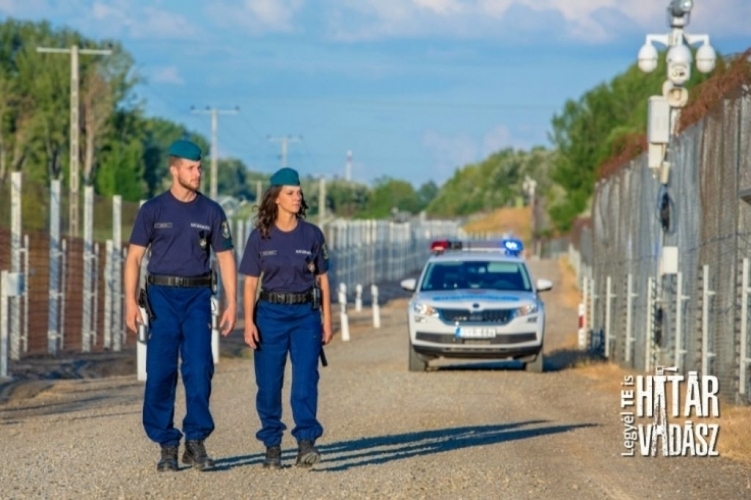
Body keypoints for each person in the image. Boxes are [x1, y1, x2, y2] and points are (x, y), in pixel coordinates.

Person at [124, 139, 237, 472]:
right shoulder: (153, 210)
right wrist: (129, 302)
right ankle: (167, 445)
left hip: (198, 298)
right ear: (174, 170)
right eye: (191, 168)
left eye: (199, 167)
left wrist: (232, 303)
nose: (197, 173)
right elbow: (134, 257)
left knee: (199, 368)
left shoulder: (211, 212)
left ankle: (196, 440)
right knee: (160, 370)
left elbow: (226, 258)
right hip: (162, 298)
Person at [239, 167, 333, 469]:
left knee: (305, 381)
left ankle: (306, 443)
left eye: (299, 192)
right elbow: (250, 283)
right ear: (276, 198)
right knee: (268, 385)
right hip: (270, 315)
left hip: (305, 316)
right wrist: (248, 322)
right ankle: (272, 445)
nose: (297, 197)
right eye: (291, 193)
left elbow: (323, 280)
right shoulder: (260, 237)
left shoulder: (312, 234)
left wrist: (327, 320)